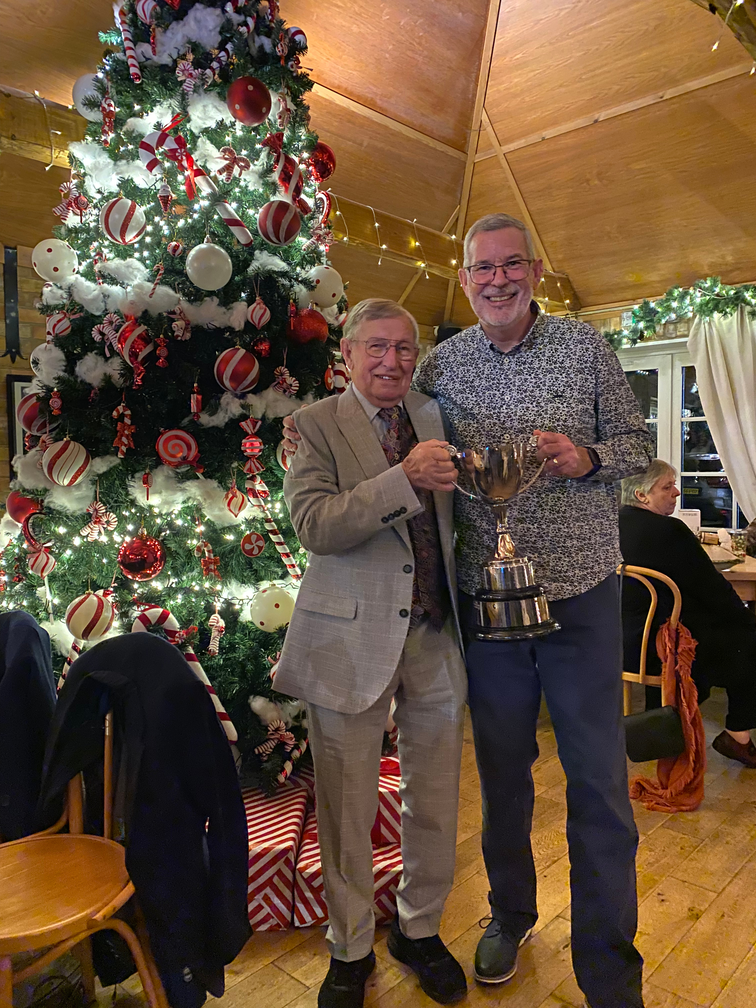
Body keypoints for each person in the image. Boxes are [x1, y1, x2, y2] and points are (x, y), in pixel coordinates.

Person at [283, 213, 653, 1008]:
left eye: (511, 264)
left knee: (596, 783)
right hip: (484, 611)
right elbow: (351, 491)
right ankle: (509, 915)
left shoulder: (585, 348)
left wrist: (587, 458)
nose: (498, 280)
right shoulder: (439, 372)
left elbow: (636, 444)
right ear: (465, 278)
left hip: (581, 598)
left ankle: (609, 971)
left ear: (534, 269)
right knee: (500, 780)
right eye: (482, 268)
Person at [275, 298, 468, 1008]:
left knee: (438, 801)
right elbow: (315, 525)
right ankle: (350, 946)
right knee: (349, 803)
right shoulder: (310, 425)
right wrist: (403, 480)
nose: (393, 362)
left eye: (405, 351)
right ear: (348, 355)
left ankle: (419, 930)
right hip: (349, 640)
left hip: (435, 633)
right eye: (377, 348)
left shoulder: (435, 417)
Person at [619, 459, 756, 767]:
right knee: (748, 638)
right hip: (666, 649)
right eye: (667, 487)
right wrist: (747, 620)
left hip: (624, 642)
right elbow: (713, 589)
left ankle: (671, 725)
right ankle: (738, 735)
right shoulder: (669, 530)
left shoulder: (612, 525)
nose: (677, 492)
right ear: (642, 495)